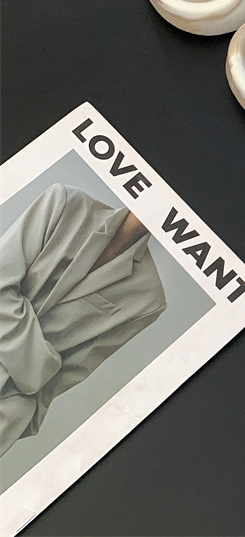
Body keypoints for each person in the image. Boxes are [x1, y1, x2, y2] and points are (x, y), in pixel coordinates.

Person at [0, 183, 167, 457]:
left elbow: (60, 380)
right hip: (22, 388)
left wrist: (25, 403)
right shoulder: (63, 203)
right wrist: (38, 369)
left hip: (9, 411)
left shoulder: (149, 298)